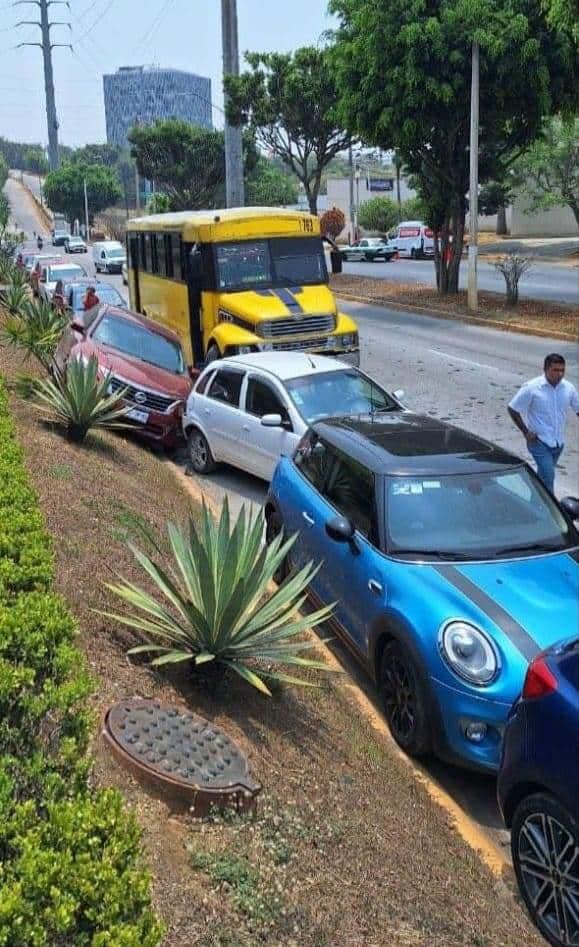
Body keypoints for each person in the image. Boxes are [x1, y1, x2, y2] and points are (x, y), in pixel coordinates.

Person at [508, 353, 579, 493]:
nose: (559, 374)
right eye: (555, 370)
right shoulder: (532, 387)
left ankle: (535, 504)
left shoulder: (568, 388)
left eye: (562, 370)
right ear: (546, 369)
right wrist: (525, 432)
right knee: (548, 478)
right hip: (539, 442)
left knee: (542, 479)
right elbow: (513, 408)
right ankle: (552, 513)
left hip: (558, 444)